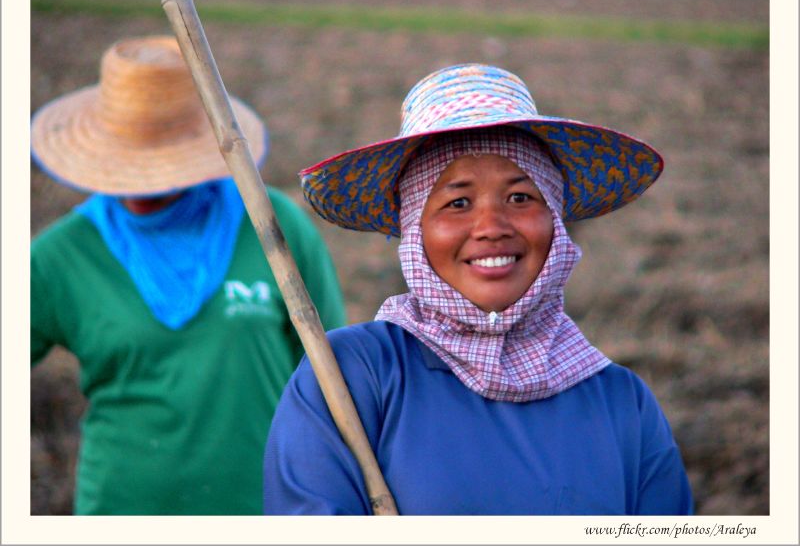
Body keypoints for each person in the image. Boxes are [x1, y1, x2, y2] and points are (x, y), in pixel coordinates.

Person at [263, 63, 693, 515]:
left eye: (521, 198)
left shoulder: (621, 403)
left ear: (556, 221)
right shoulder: (351, 377)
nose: (491, 227)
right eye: (458, 203)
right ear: (416, 231)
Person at [30, 35, 346, 515]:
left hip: (266, 509)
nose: (140, 182)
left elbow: (334, 375)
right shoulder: (60, 257)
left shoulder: (271, 227)